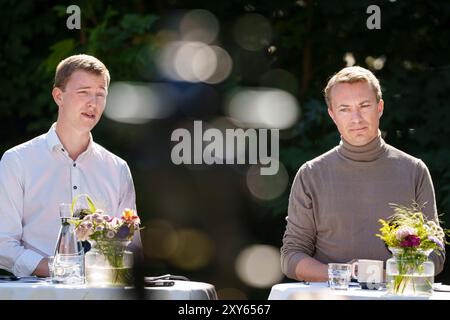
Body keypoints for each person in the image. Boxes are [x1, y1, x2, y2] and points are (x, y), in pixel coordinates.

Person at [280, 66, 445, 282]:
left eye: (364, 105)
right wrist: (344, 274)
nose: (356, 119)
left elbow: (436, 254)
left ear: (380, 107)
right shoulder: (311, 174)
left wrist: (385, 277)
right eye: (344, 109)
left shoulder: (414, 170)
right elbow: (291, 255)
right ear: (332, 114)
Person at [0, 54, 141, 277]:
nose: (92, 103)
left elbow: (131, 247)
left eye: (100, 94)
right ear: (59, 96)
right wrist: (60, 270)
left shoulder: (118, 169)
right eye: (83, 92)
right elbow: (3, 245)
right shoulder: (17, 161)